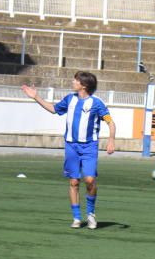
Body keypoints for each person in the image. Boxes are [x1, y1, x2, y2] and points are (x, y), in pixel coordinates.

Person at [21, 72, 116, 230]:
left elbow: (110, 122)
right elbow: (53, 109)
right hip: (71, 146)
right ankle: (77, 217)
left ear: (84, 85)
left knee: (90, 180)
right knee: (73, 181)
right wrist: (36, 97)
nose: (73, 82)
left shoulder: (97, 103)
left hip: (89, 147)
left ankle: (91, 214)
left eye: (76, 80)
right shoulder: (69, 99)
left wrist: (111, 140)